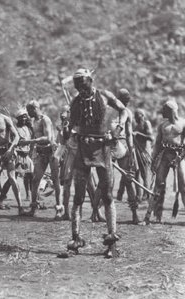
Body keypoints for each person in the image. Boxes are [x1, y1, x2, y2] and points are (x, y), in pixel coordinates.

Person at [66, 68, 127, 258]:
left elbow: (124, 111)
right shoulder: (76, 102)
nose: (80, 89)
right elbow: (71, 127)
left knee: (107, 195)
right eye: (77, 86)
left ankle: (111, 241)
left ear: (90, 80)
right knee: (78, 197)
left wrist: (118, 128)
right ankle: (76, 238)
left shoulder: (105, 96)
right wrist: (69, 130)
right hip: (83, 149)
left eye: (83, 85)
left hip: (104, 149)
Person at [96, 89, 140, 224]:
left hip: (121, 148)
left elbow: (128, 134)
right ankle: (95, 212)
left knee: (128, 179)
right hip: (107, 147)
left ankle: (134, 214)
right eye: (124, 100)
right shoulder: (107, 110)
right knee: (105, 181)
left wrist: (131, 152)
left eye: (127, 101)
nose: (125, 103)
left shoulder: (126, 113)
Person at [57, 105, 103, 221]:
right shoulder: (66, 124)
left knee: (90, 185)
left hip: (83, 155)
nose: (64, 115)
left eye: (67, 112)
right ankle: (66, 212)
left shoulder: (82, 121)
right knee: (67, 184)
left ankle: (96, 212)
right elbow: (63, 140)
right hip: (70, 155)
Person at [143, 99, 185, 224]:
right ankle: (148, 217)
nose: (162, 113)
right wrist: (153, 159)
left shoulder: (183, 123)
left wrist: (180, 157)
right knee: (158, 186)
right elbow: (157, 144)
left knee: (183, 187)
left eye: (165, 110)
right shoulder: (162, 125)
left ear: (171, 111)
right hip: (165, 155)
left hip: (179, 156)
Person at [24, 100, 63, 219]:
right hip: (41, 153)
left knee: (56, 181)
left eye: (29, 110)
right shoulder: (34, 121)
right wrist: (31, 151)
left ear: (34, 108)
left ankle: (59, 210)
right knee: (35, 180)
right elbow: (34, 136)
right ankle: (34, 208)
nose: (28, 113)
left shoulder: (45, 119)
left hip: (51, 152)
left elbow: (48, 137)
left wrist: (31, 142)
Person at [0, 108, 33, 208]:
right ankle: (0, 200)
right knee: (12, 179)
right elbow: (14, 142)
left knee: (32, 177)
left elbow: (30, 142)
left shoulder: (28, 128)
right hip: (18, 155)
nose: (24, 119)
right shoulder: (15, 129)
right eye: (22, 118)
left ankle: (34, 200)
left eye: (25, 117)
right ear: (18, 119)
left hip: (27, 156)